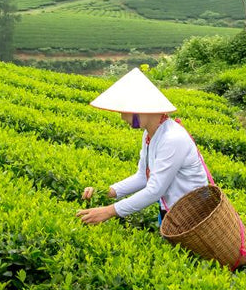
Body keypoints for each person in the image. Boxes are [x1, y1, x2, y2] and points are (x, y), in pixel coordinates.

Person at [75, 67, 210, 227]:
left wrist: (109, 211)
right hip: (171, 210)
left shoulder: (172, 138)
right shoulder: (149, 135)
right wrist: (106, 191)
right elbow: (143, 177)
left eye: (126, 111)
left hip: (193, 216)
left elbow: (155, 190)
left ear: (142, 109)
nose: (123, 117)